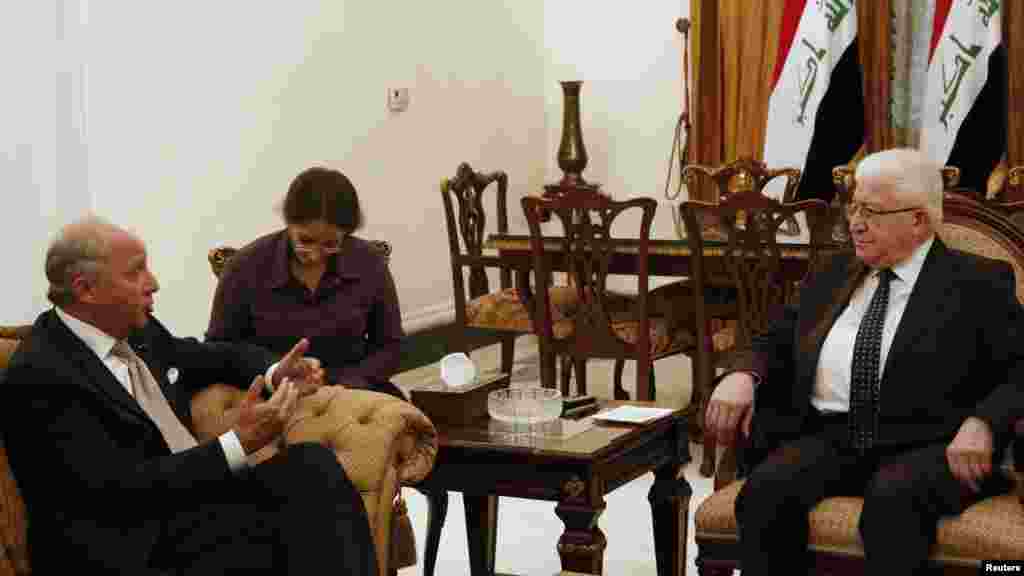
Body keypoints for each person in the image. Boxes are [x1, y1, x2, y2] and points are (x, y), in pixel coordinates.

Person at [704, 148, 1024, 575]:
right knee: (765, 495)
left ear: (918, 220)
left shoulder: (978, 282)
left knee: (892, 505)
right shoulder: (833, 271)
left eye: (871, 211)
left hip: (931, 444)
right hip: (832, 435)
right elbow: (775, 337)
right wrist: (742, 375)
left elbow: (1020, 368)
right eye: (853, 206)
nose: (854, 221)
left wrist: (983, 422)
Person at [0, 216, 378, 574]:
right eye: (135, 271)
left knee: (312, 468)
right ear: (85, 288)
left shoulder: (137, 332)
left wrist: (276, 371)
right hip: (129, 545)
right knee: (306, 520)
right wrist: (236, 444)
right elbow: (119, 491)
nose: (153, 282)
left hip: (186, 511)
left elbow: (210, 355)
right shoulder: (41, 375)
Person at [207, 166, 405, 399]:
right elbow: (218, 351)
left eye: (331, 244)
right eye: (306, 240)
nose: (315, 254)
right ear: (289, 224)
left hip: (356, 391)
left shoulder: (368, 261)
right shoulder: (244, 268)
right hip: (277, 398)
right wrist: (274, 372)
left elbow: (391, 346)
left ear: (346, 234)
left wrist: (349, 382)